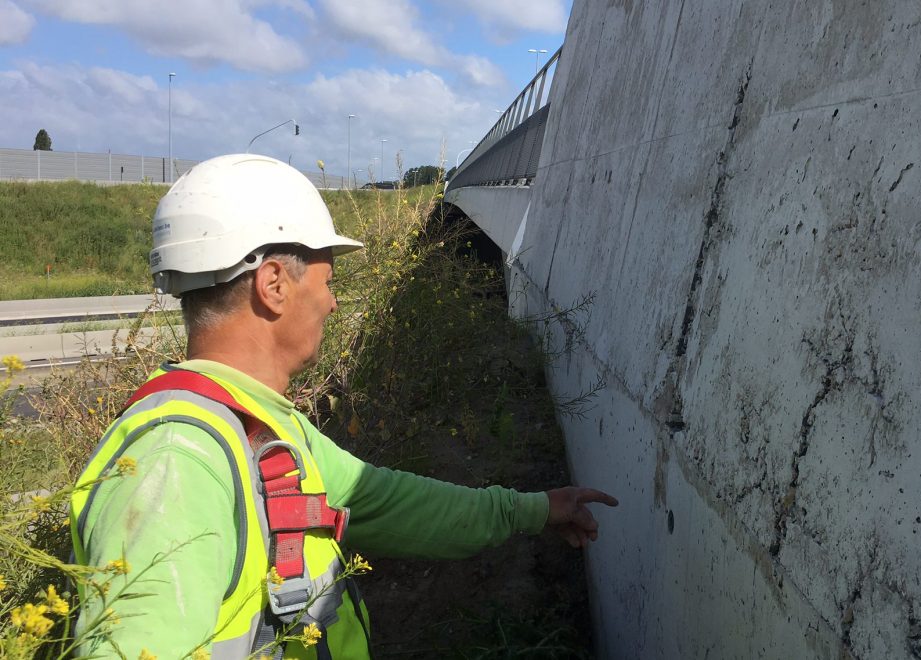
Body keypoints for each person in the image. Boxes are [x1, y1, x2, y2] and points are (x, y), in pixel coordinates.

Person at [67, 154, 618, 658]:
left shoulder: (258, 428)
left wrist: (536, 509)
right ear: (274, 285)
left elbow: (390, 501)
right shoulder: (177, 462)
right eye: (329, 281)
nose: (332, 301)